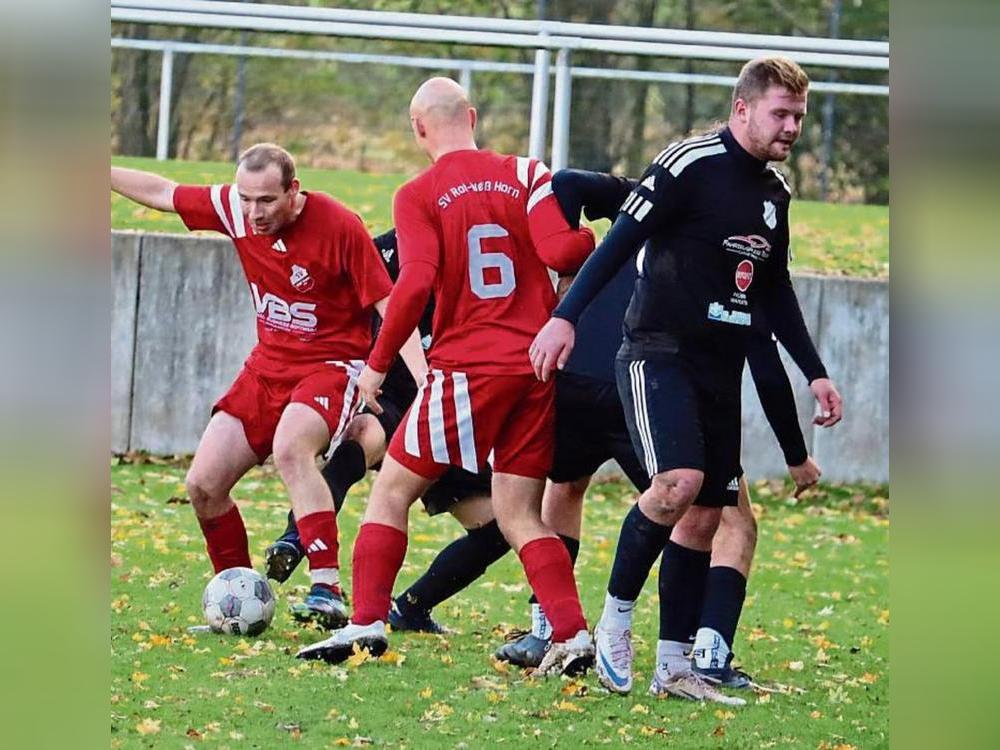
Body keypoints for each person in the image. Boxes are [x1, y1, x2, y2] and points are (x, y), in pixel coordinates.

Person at [530, 57, 843, 701]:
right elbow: (618, 242)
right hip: (658, 352)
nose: (791, 127)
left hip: (718, 366)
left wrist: (814, 372)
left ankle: (674, 666)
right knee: (677, 484)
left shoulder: (775, 194)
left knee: (705, 516)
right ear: (742, 109)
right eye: (780, 114)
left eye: (799, 117)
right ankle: (615, 619)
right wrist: (564, 318)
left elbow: (775, 290)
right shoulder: (687, 163)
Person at [295, 77, 596, 675]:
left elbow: (414, 283)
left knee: (391, 491)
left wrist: (377, 366)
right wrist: (588, 237)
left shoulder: (419, 193)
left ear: (418, 128)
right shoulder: (527, 173)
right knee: (518, 512)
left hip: (467, 369)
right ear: (473, 117)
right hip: (534, 368)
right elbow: (563, 252)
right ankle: (572, 634)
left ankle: (366, 622)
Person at [496, 169, 822, 685]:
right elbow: (763, 356)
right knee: (724, 516)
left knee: (569, 486)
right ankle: (706, 652)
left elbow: (565, 184)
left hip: (581, 372)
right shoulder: (713, 228)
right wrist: (795, 453)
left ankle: (548, 629)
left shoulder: (653, 198)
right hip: (646, 377)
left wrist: (567, 252)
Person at [110, 144, 426, 630]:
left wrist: (423, 381)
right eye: (246, 199)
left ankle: (326, 589)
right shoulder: (234, 209)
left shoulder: (340, 226)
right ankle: (238, 599)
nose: (254, 213)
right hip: (266, 368)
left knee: (290, 448)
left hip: (331, 365)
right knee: (203, 485)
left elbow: (392, 307)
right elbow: (163, 192)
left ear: (293, 191)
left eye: (266, 201)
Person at [263, 230, 507, 633]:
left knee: (499, 527)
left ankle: (412, 608)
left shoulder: (486, 255)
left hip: (447, 407)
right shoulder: (383, 251)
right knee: (362, 437)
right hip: (388, 393)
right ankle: (296, 539)